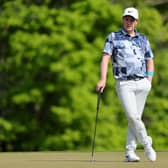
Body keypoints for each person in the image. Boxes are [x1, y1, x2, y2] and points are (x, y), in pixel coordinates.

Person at [96, 7, 156, 162]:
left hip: (142, 83)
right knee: (132, 115)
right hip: (124, 83)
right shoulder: (113, 37)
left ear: (136, 22)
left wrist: (149, 80)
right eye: (126, 19)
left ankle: (130, 152)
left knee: (134, 119)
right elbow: (105, 58)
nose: (128, 22)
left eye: (131, 19)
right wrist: (103, 79)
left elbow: (150, 59)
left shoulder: (143, 39)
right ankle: (147, 144)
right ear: (123, 19)